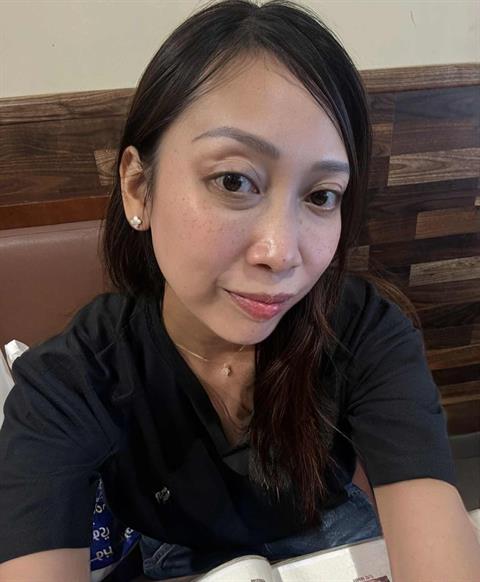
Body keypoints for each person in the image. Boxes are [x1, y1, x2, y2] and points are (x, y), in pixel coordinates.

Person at [0, 1, 478, 581]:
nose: (281, 252)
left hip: (331, 532)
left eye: (321, 195)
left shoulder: (364, 332)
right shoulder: (75, 378)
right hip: (169, 551)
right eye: (233, 181)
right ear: (138, 188)